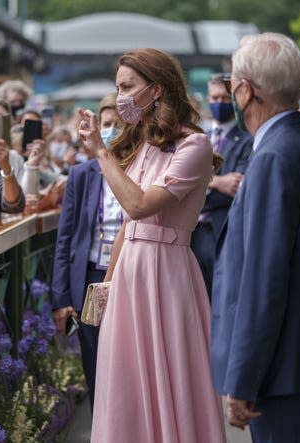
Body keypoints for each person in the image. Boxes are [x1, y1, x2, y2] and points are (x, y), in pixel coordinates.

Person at [78, 48, 225, 442]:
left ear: (156, 88)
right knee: (125, 378)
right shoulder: (147, 144)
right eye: (118, 87)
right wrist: (108, 286)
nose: (122, 95)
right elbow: (129, 226)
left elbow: (139, 205)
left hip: (168, 270)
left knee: (172, 373)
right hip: (131, 272)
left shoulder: (194, 146)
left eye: (128, 86)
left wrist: (101, 153)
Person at [212, 33, 300, 442]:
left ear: (245, 90)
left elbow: (262, 280)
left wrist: (244, 378)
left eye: (232, 84)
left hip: (286, 372)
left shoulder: (274, 156)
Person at [51, 93, 123, 410]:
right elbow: (65, 238)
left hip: (129, 274)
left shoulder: (144, 169)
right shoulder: (82, 174)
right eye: (105, 124)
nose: (109, 131)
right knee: (95, 364)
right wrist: (62, 297)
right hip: (91, 278)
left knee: (129, 364)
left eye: (117, 125)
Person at [191, 73, 252, 298]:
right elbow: (181, 184)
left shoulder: (247, 139)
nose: (219, 103)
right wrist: (216, 181)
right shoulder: (199, 137)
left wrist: (198, 185)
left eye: (225, 99)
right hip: (193, 233)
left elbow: (237, 187)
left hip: (223, 229)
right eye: (215, 98)